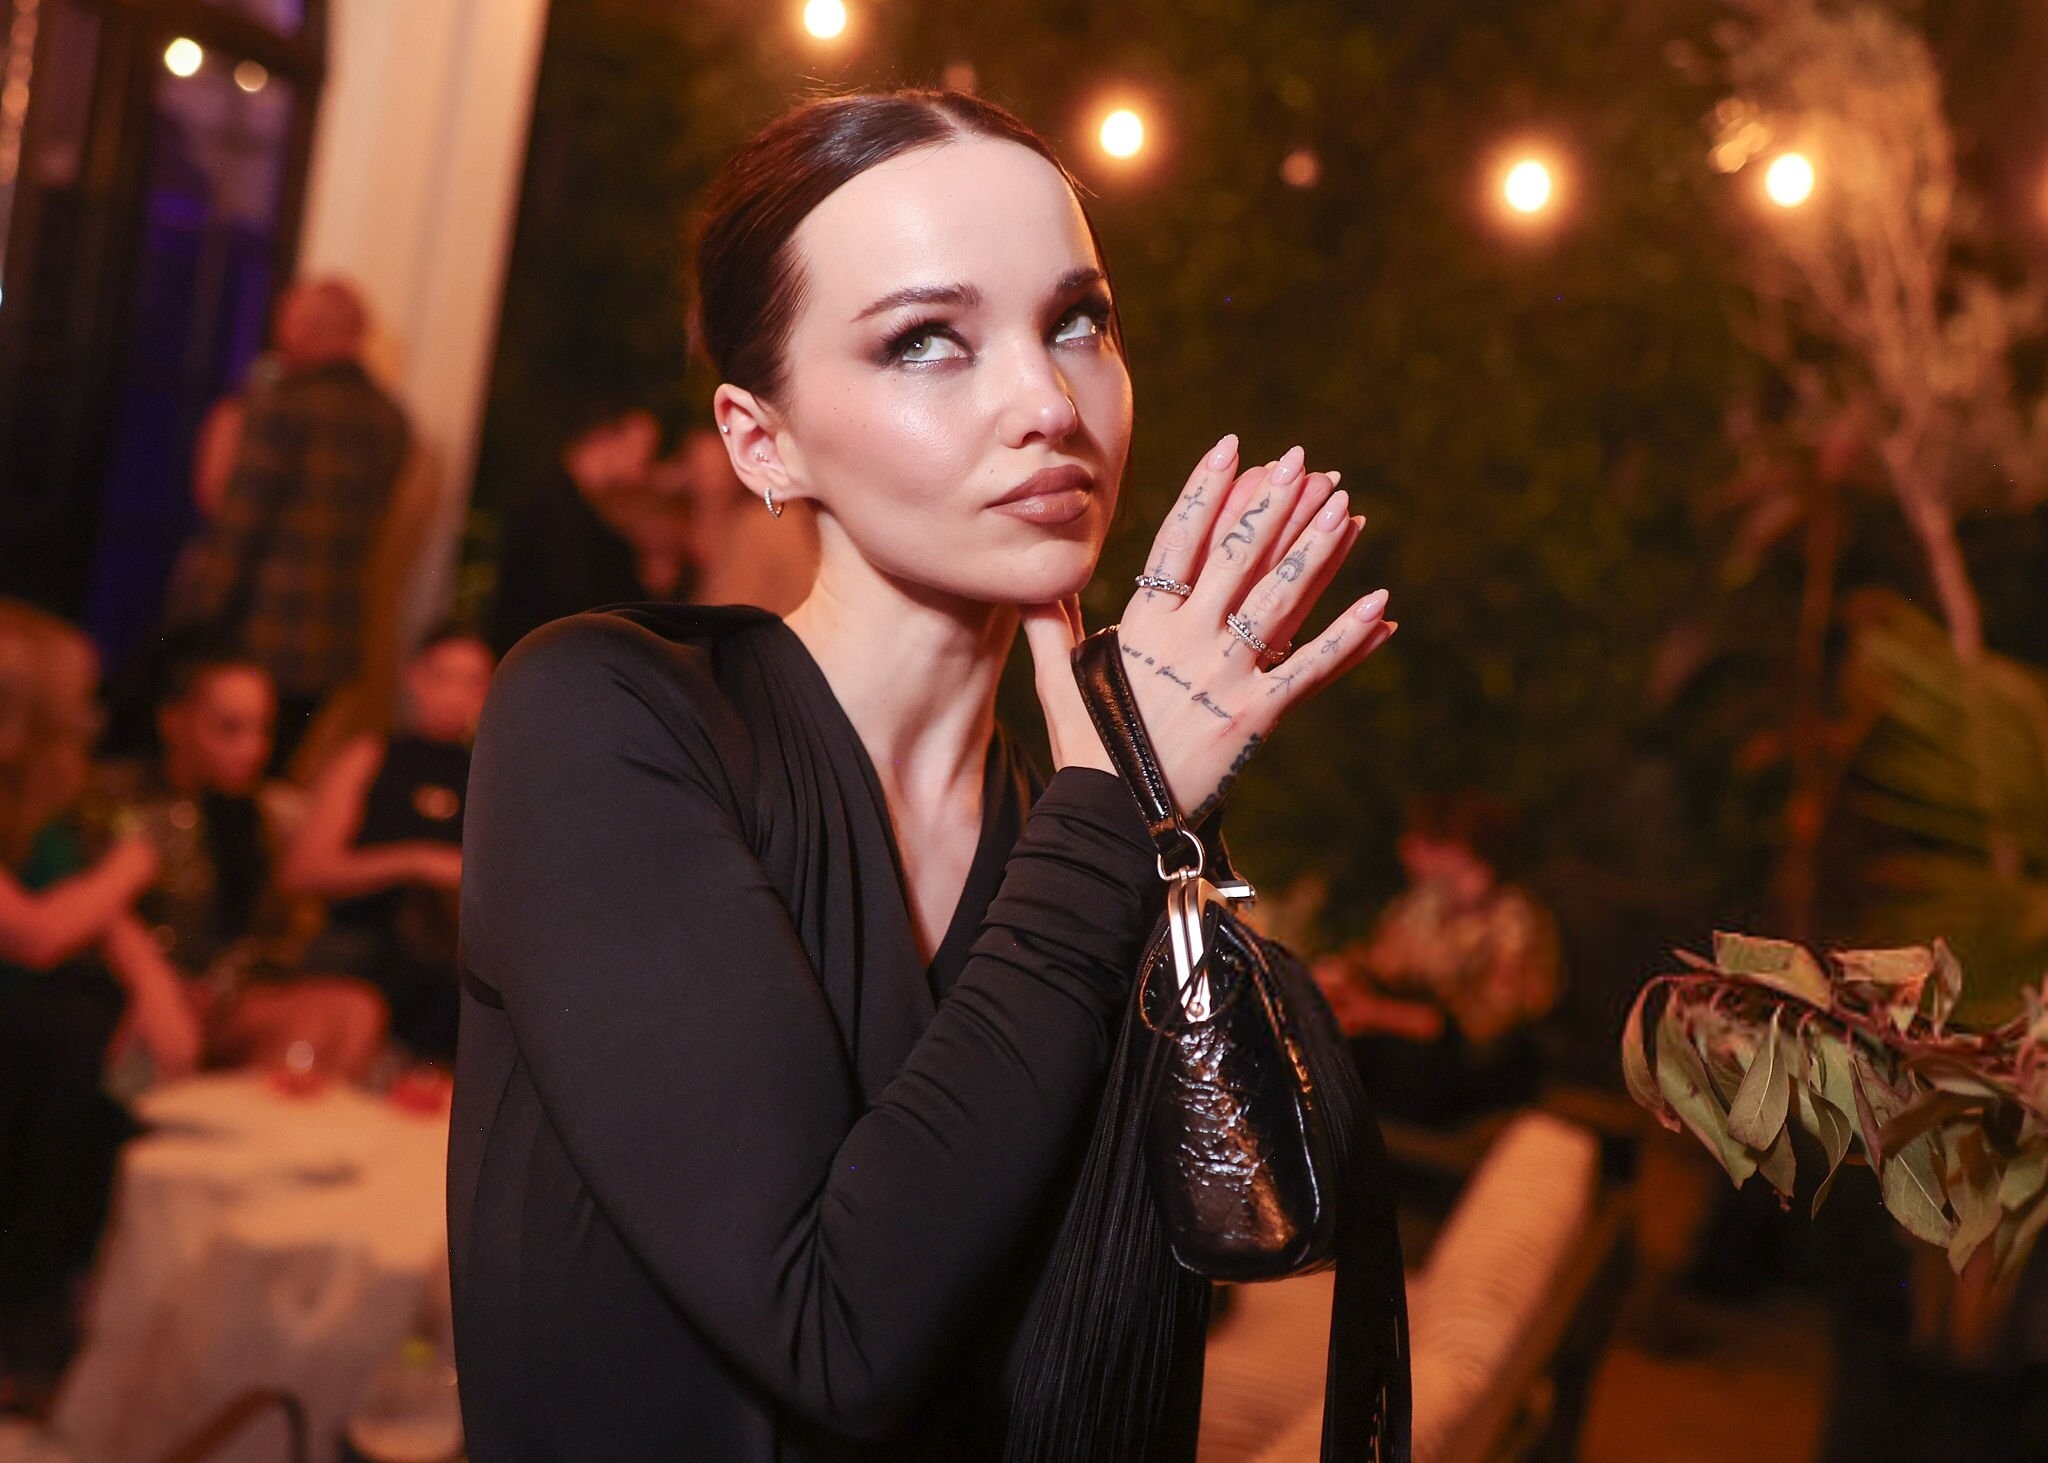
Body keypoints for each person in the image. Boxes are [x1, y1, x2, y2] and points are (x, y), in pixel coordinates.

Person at [448, 90, 1396, 1460]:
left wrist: (1135, 827)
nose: (1048, 404)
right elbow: (835, 1333)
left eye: (1077, 321)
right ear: (762, 440)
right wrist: (1110, 822)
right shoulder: (601, 717)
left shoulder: (1069, 819)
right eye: (924, 340)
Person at [0, 601, 194, 1412]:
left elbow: (98, 914)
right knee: (70, 1045)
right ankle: (29, 1317)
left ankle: (71, 1303)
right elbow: (36, 933)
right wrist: (138, 861)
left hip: (31, 1030)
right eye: (75, 703)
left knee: (101, 1045)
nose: (92, 719)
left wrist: (155, 989)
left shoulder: (43, 794)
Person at [92, 646, 386, 1080]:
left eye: (262, 729)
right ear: (174, 721)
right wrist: (157, 983)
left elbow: (287, 928)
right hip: (133, 996)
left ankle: (277, 1114)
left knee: (356, 1010)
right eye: (229, 728)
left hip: (233, 999)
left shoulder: (271, 813)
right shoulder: (120, 804)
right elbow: (93, 912)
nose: (252, 749)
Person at [162, 277, 411, 766]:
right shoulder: (389, 419)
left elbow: (240, 525)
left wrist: (191, 626)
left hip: (255, 632)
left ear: (307, 329)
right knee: (277, 766)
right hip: (331, 640)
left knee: (218, 771)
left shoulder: (283, 404)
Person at [284, 625, 493, 1063]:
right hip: (360, 946)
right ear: (414, 676)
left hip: (448, 963)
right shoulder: (370, 757)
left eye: (472, 681)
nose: (455, 694)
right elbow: (303, 870)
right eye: (443, 676)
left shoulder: (490, 778)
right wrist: (413, 861)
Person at [1314, 792, 1561, 1125]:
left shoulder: (1513, 920)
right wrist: (1339, 978)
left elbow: (1481, 1027)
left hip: (1475, 1067)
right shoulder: (1424, 905)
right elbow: (1383, 962)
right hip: (1419, 1042)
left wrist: (1377, 1014)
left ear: (1460, 848)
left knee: (1382, 1059)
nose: (1407, 850)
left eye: (1425, 841)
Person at [489, 406, 685, 654]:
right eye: (641, 452)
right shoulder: (554, 508)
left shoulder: (583, 505)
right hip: (542, 654)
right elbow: (577, 600)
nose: (643, 469)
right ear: (604, 439)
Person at [672, 422, 820, 614]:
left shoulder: (768, 526)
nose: (710, 482)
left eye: (717, 469)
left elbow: (728, 613)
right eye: (700, 469)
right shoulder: (667, 529)